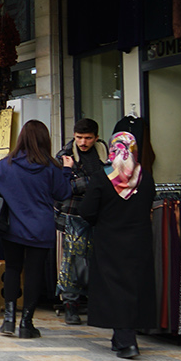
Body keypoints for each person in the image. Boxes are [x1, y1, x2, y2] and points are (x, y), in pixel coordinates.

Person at [72, 116, 157, 360]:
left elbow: (86, 210)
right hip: (139, 241)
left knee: (115, 289)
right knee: (133, 287)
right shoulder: (145, 177)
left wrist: (101, 220)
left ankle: (126, 340)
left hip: (110, 241)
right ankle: (122, 337)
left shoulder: (103, 177)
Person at [0, 120, 71, 339]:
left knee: (12, 269)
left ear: (21, 138)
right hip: (41, 228)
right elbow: (64, 193)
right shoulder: (51, 167)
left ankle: (9, 319)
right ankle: (27, 323)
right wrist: (67, 171)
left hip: (12, 226)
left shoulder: (6, 166)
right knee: (34, 273)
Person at [55, 119, 107, 324]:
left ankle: (95, 303)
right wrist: (98, 183)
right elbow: (64, 188)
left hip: (101, 215)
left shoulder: (106, 152)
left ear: (96, 137)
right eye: (79, 138)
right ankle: (70, 304)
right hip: (73, 214)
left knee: (98, 260)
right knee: (73, 262)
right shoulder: (64, 155)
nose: (83, 142)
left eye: (87, 138)